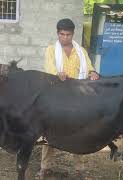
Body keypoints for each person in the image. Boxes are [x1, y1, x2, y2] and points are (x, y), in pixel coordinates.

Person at [37, 18, 99, 179]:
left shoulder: (81, 51)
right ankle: (45, 167)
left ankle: (80, 169)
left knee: (79, 130)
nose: (65, 38)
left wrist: (93, 73)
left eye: (68, 34)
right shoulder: (51, 50)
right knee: (50, 130)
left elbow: (90, 67)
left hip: (78, 97)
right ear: (58, 34)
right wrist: (57, 74)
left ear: (73, 34)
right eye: (62, 34)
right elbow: (49, 68)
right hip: (57, 96)